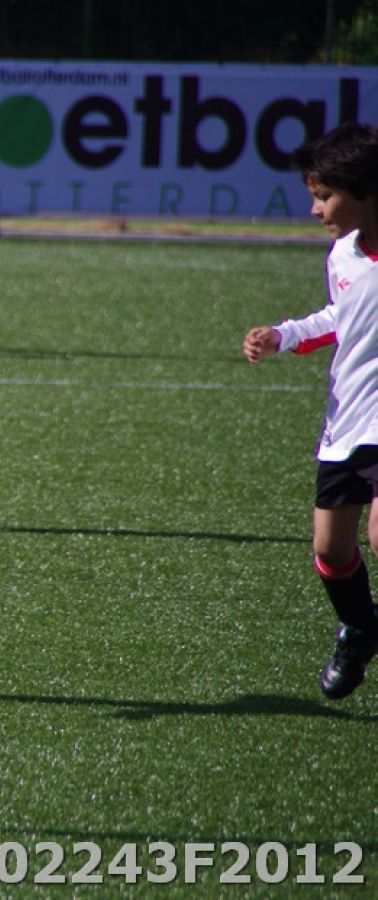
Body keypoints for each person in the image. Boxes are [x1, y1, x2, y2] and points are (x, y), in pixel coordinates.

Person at [242, 122, 378, 700]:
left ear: (364, 188)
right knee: (330, 549)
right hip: (347, 419)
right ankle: (361, 629)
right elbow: (339, 318)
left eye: (324, 196)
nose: (315, 209)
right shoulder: (343, 254)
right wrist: (284, 335)